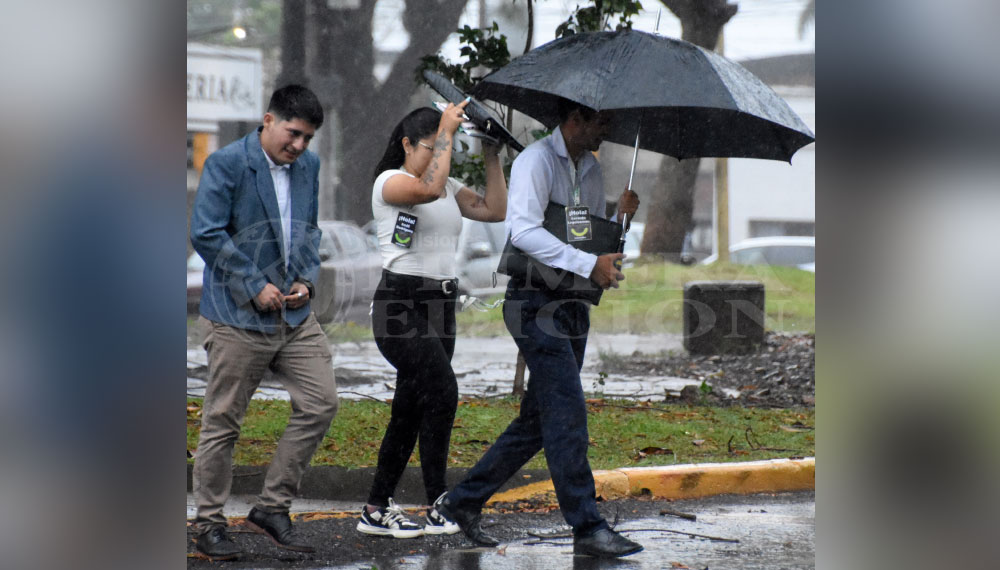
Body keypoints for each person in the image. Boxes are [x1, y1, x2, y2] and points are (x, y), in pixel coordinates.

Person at [437, 100, 643, 558]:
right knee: (567, 411)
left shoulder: (589, 168)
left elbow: (580, 232)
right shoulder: (535, 161)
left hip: (571, 304)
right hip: (534, 302)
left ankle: (460, 503)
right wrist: (590, 263)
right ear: (575, 120)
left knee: (537, 422)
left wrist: (619, 217)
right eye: (600, 122)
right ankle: (587, 526)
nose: (605, 131)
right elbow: (525, 231)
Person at [189, 84, 339, 560]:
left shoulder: (308, 167)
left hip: (294, 315)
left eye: (308, 139)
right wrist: (252, 283)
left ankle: (272, 507)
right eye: (293, 134)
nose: (299, 146)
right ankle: (208, 523)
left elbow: (309, 228)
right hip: (235, 317)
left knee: (321, 403)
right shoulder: (228, 163)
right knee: (223, 423)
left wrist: (308, 281)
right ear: (269, 120)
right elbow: (206, 232)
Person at [357, 102, 508, 538]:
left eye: (443, 145)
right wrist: (446, 127)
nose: (439, 153)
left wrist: (491, 154)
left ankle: (376, 506)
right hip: (400, 306)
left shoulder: (448, 186)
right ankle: (440, 500)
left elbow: (494, 211)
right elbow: (426, 189)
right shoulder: (391, 183)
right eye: (431, 145)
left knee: (410, 409)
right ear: (406, 144)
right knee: (443, 390)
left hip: (441, 305)